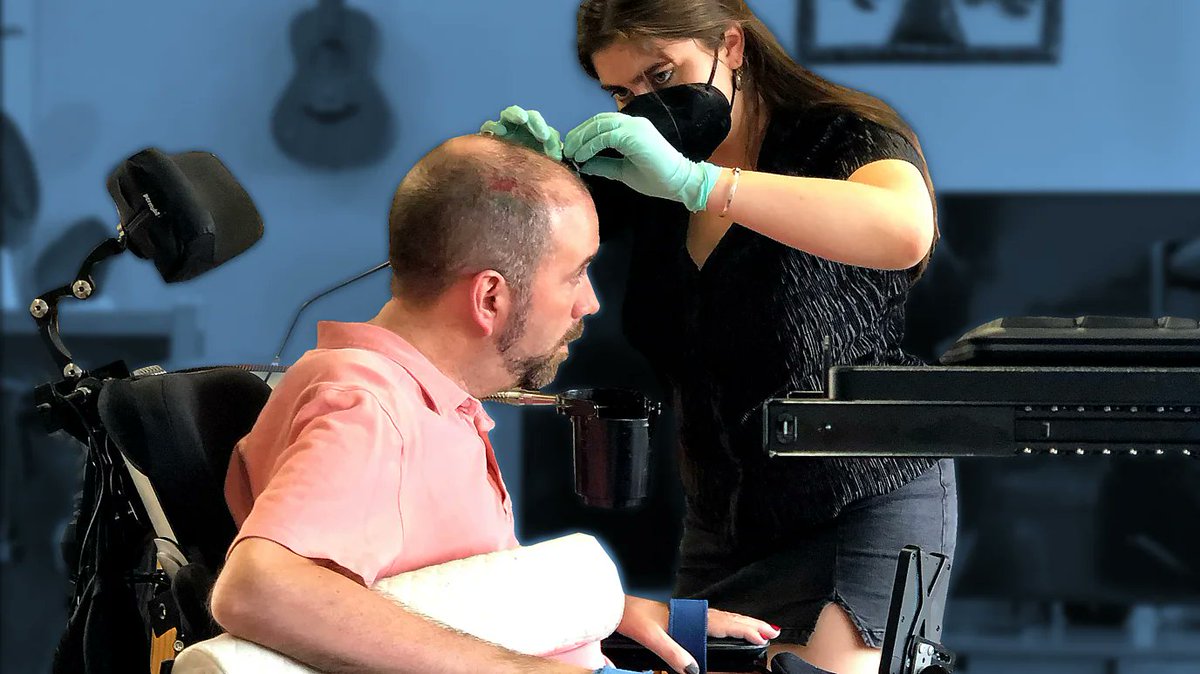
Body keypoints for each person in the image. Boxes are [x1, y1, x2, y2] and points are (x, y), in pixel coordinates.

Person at [480, 2, 958, 672]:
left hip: (861, 497)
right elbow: (522, 277)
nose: (646, 105)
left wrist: (699, 185)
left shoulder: (839, 138)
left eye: (662, 75)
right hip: (723, 522)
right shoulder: (641, 171)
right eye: (623, 92)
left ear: (730, 47)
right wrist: (521, 186)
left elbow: (906, 231)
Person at [209, 134, 779, 674]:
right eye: (576, 274)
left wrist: (606, 612)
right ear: (489, 296)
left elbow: (456, 596)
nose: (590, 302)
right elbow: (257, 587)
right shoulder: (369, 408)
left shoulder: (419, 398)